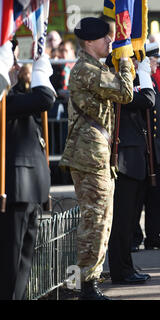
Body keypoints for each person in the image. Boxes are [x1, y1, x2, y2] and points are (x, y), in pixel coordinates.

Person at [59, 17, 133, 300]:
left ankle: (86, 281)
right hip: (89, 155)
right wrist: (125, 60)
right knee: (94, 221)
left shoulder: (94, 67)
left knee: (101, 220)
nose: (111, 43)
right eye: (106, 38)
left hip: (95, 154)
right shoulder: (87, 70)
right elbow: (125, 93)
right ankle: (82, 284)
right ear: (89, 41)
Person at [0, 50, 56, 300]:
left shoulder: (11, 96)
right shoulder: (4, 99)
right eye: (11, 58)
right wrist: (41, 69)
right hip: (15, 190)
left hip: (30, 188)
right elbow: (44, 98)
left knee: (23, 265)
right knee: (11, 269)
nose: (16, 64)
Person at [107, 53, 160, 284]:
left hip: (135, 159)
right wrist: (142, 73)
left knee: (127, 220)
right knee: (122, 221)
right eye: (131, 63)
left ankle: (125, 267)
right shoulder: (116, 84)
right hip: (124, 161)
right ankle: (121, 270)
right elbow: (148, 99)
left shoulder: (126, 84)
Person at [131, 50, 160, 252]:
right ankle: (134, 236)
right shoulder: (132, 82)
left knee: (156, 196)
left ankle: (154, 236)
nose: (157, 66)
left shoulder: (152, 82)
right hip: (140, 147)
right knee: (136, 197)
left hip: (156, 147)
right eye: (154, 62)